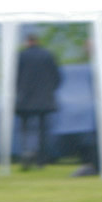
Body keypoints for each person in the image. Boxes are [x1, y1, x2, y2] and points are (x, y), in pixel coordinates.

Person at [15, 34, 62, 169]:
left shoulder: (21, 56)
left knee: (24, 129)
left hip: (24, 99)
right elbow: (57, 76)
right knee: (43, 131)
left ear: (27, 41)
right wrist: (50, 90)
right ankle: (41, 160)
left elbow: (14, 76)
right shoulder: (48, 55)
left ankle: (25, 153)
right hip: (44, 99)